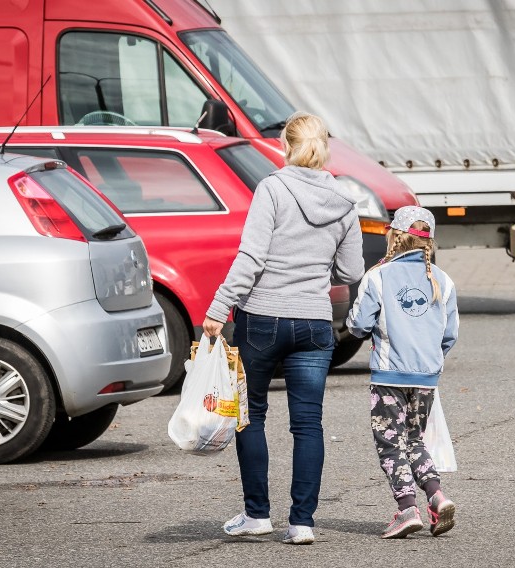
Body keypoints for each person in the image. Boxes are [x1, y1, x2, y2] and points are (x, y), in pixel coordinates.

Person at [202, 111, 364, 545]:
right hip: (314, 324)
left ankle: (257, 514)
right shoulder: (346, 203)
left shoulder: (272, 189)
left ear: (284, 145)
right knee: (308, 424)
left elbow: (252, 258)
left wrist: (218, 308)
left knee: (250, 415)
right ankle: (302, 523)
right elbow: (350, 270)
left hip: (263, 320)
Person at [346, 206, 459, 539]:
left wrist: (353, 324)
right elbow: (449, 335)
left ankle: (407, 508)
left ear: (393, 236)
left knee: (389, 443)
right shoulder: (443, 279)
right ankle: (437, 496)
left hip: (389, 377)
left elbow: (359, 324)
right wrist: (429, 359)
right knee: (413, 439)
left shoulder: (378, 276)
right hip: (427, 378)